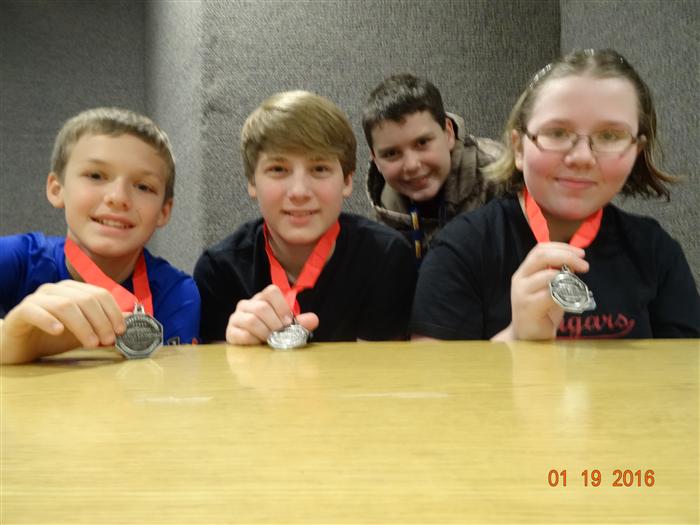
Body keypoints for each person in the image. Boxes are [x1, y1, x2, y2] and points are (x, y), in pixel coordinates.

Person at [411, 49, 700, 340]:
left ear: (635, 152)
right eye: (558, 133)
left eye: (610, 136)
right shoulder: (462, 248)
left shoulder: (655, 250)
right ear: (519, 148)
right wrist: (514, 337)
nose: (583, 157)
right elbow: (432, 380)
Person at [194, 90, 416, 344]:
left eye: (319, 169)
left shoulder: (386, 257)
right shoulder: (219, 270)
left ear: (346, 181)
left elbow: (382, 376)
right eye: (278, 169)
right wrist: (234, 350)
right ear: (252, 182)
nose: (299, 192)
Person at [0, 107, 200, 364]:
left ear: (164, 211)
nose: (118, 198)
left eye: (143, 186)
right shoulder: (15, 258)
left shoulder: (177, 292)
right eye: (95, 176)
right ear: (56, 189)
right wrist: (12, 338)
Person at [362, 73, 503, 259]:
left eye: (422, 143)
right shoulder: (381, 221)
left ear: (448, 134)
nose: (412, 165)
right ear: (375, 160)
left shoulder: (502, 176)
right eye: (391, 154)